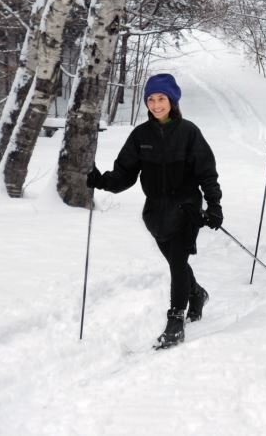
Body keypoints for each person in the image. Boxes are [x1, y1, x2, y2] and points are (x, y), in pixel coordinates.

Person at [86, 73, 223, 350]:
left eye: (162, 99)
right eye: (151, 99)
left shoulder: (189, 133)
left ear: (172, 101)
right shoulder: (141, 136)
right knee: (178, 263)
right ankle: (197, 294)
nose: (156, 104)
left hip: (186, 208)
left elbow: (206, 173)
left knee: (176, 261)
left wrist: (214, 205)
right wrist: (101, 181)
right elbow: (125, 174)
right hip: (155, 212)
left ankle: (175, 320)